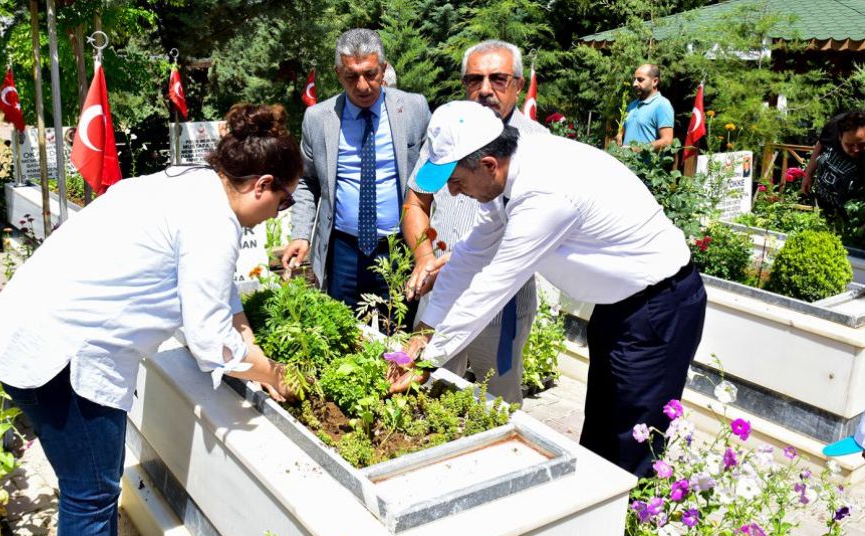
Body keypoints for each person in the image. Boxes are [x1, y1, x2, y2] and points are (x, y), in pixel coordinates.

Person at [0, 104, 302, 536]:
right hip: (66, 359)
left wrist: (251, 341)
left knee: (91, 494)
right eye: (285, 200)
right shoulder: (213, 222)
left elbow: (218, 291)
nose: (278, 214)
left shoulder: (189, 183)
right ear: (262, 186)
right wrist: (275, 374)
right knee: (90, 497)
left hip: (36, 331)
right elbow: (210, 344)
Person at [390, 101, 706, 478]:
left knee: (632, 440)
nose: (454, 195)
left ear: (488, 165)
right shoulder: (505, 177)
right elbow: (469, 258)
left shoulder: (545, 195)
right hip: (618, 305)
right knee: (601, 427)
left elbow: (493, 287)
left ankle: (624, 531)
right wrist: (424, 333)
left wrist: (428, 361)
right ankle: (594, 520)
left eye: (456, 182)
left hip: (659, 308)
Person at [401, 39, 548, 403]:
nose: (485, 90)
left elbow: (504, 250)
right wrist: (424, 258)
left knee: (496, 402)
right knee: (429, 397)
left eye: (497, 79)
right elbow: (415, 203)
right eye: (474, 80)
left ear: (516, 82)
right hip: (441, 289)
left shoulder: (535, 144)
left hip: (502, 305)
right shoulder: (447, 132)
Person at [281, 28, 430, 316]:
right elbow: (306, 181)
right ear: (338, 74)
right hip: (343, 251)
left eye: (371, 74)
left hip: (400, 247)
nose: (362, 86)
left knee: (398, 335)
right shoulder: (318, 119)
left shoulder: (413, 109)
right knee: (343, 334)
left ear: (383, 69)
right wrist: (301, 234)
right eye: (351, 76)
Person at [800, 111, 865, 218]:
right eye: (849, 144)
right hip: (820, 199)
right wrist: (808, 175)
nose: (856, 149)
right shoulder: (833, 128)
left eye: (862, 144)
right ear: (840, 136)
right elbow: (820, 144)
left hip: (848, 214)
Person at [619, 64, 674, 150]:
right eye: (634, 79)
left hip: (644, 164)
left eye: (640, 80)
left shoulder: (662, 105)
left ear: (655, 81)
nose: (634, 84)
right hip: (623, 163)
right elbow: (624, 133)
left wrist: (639, 149)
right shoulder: (631, 105)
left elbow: (667, 141)